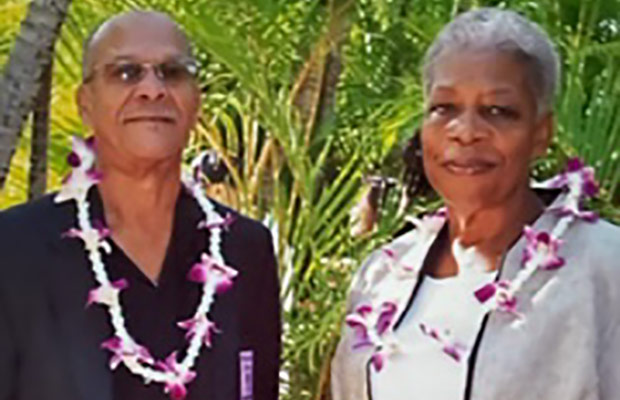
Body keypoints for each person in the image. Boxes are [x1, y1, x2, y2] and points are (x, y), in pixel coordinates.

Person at [331, 7, 620, 400]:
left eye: (498, 111)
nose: (465, 132)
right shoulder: (381, 276)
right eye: (444, 108)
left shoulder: (603, 267)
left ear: (541, 133)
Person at [0, 11, 280, 400]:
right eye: (126, 72)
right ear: (86, 104)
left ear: (195, 101)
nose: (152, 89)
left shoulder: (246, 250)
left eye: (173, 71)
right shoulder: (14, 248)